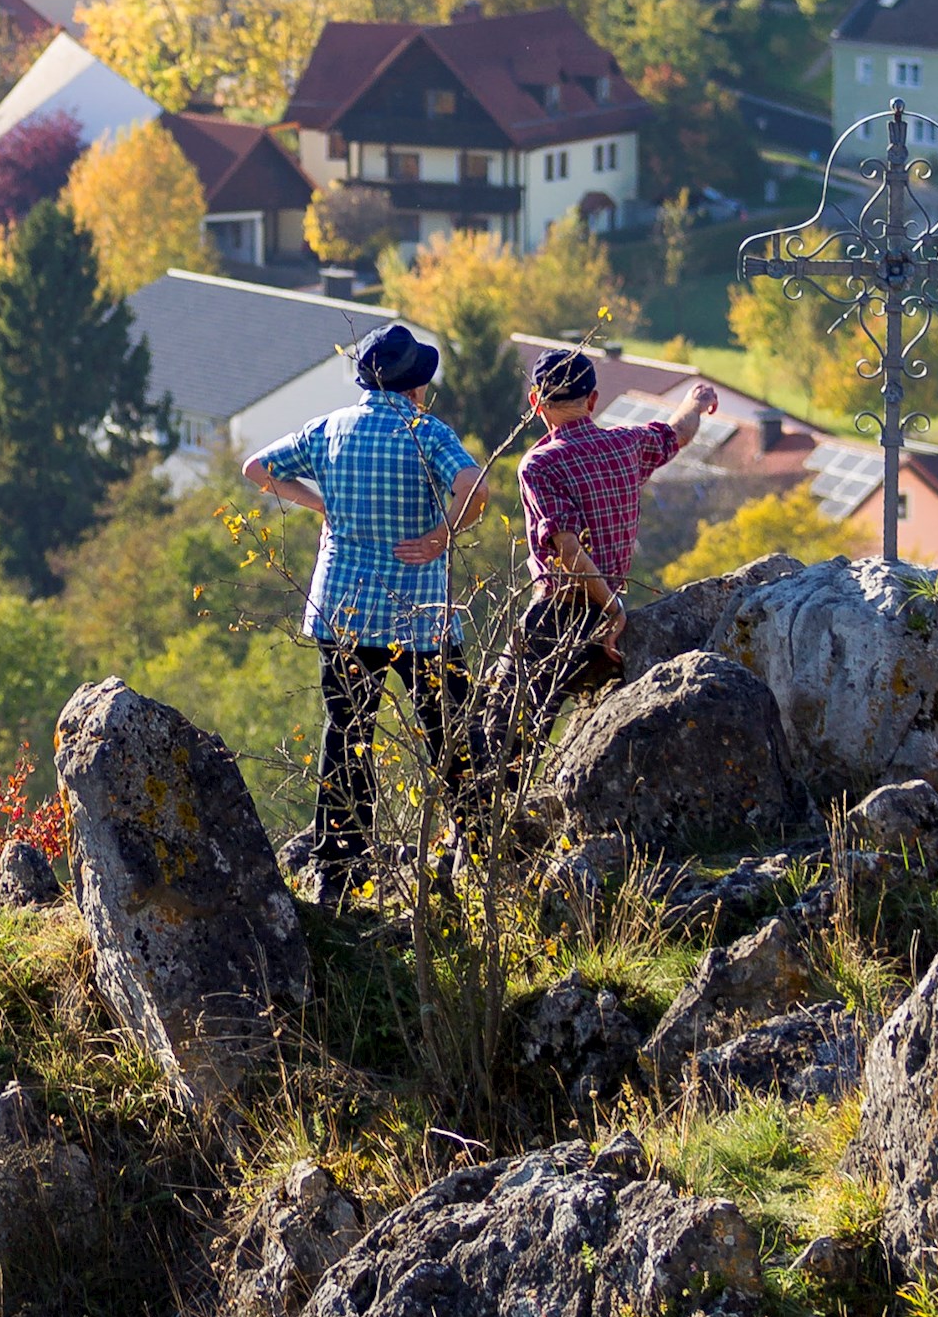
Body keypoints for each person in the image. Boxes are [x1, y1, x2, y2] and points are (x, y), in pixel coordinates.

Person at [242, 317, 487, 902]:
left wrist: (317, 503)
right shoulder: (426, 431)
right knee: (448, 726)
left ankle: (341, 860)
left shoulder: (328, 428)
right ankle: (479, 841)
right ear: (414, 386)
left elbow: (256, 469)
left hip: (343, 609)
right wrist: (442, 535)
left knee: (347, 730)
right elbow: (475, 488)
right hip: (418, 611)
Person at [494, 345, 718, 746]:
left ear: (535, 402)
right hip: (605, 616)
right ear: (593, 400)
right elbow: (679, 433)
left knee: (503, 739)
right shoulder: (626, 446)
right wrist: (695, 402)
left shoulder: (540, 464)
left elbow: (567, 548)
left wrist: (614, 611)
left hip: (557, 615)